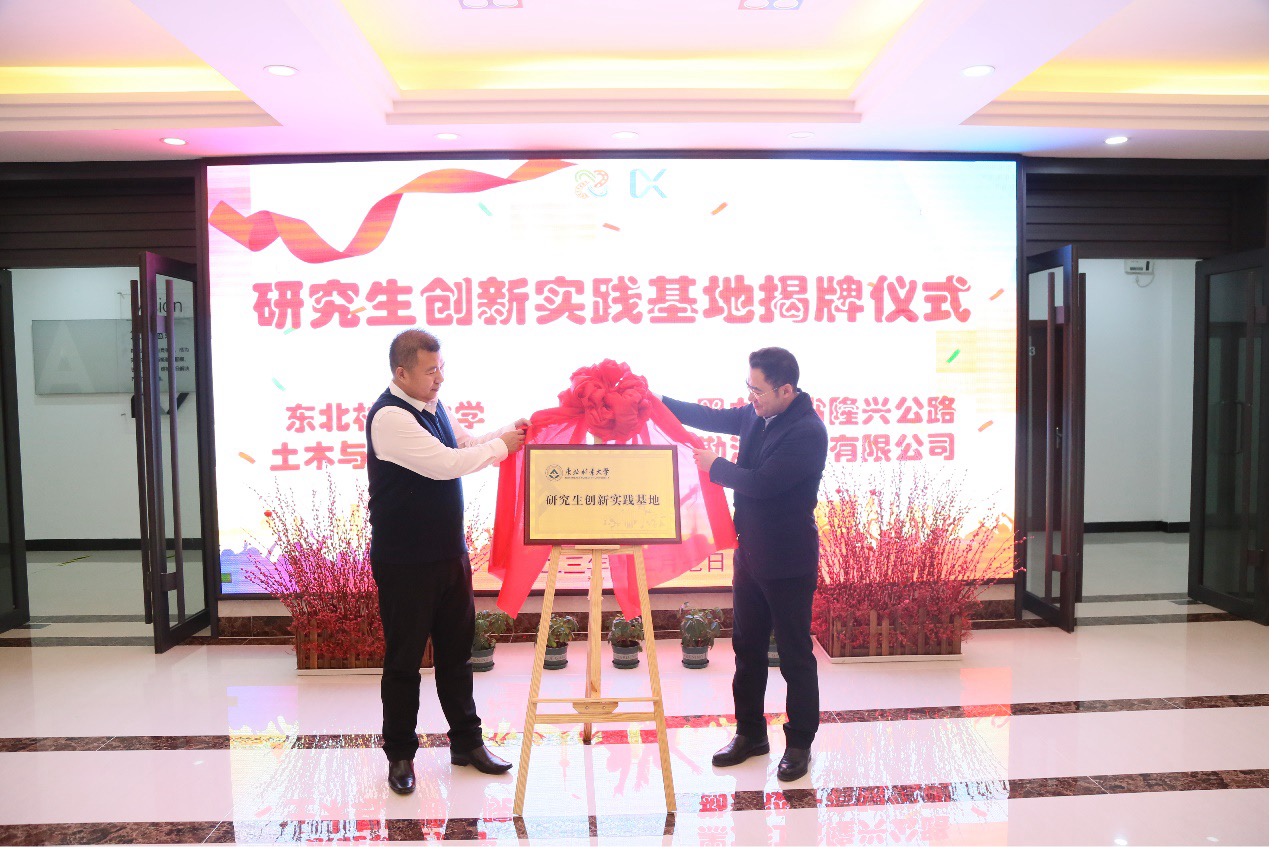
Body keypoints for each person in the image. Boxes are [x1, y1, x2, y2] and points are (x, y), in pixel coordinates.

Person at [365, 329, 528, 795]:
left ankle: (467, 744)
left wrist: (507, 433)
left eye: (441, 368)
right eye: (430, 371)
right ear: (402, 373)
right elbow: (445, 464)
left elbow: (463, 444)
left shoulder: (433, 406)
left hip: (449, 554)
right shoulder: (389, 417)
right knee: (404, 662)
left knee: (457, 655)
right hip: (405, 561)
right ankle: (400, 755)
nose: (440, 379)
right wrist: (503, 448)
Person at [661, 346, 827, 782]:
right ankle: (750, 734)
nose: (750, 397)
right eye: (748, 388)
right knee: (746, 649)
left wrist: (715, 466)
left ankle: (799, 743)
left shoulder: (808, 431)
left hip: (788, 559)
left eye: (758, 390)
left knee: (794, 655)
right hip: (750, 554)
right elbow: (711, 416)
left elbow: (763, 484)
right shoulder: (757, 413)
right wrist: (655, 402)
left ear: (786, 390)